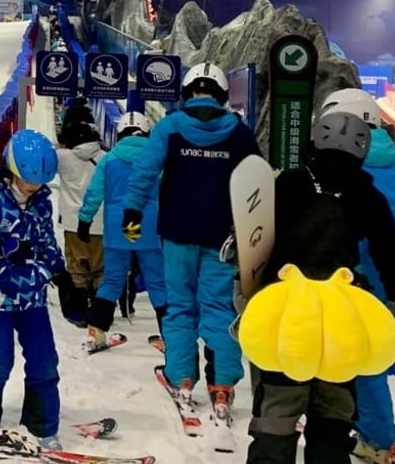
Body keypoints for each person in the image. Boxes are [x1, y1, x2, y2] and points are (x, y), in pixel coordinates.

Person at [246, 111, 395, 464]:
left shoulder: (286, 184)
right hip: (340, 312)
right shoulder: (367, 195)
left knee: (277, 409)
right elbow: (389, 254)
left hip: (285, 308)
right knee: (334, 410)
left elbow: (253, 242)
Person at [123, 62, 260, 416]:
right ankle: (223, 384)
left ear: (186, 93)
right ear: (222, 96)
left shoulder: (170, 127)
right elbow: (257, 183)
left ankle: (182, 377)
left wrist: (132, 214)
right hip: (223, 239)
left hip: (177, 235)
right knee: (218, 308)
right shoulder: (239, 133)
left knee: (180, 307)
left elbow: (145, 172)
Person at [0, 129, 68, 450]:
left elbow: (47, 242)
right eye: (28, 181)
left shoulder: (41, 202)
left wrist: (62, 275)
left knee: (44, 359)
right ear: (11, 170)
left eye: (38, 183)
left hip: (31, 295)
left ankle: (42, 424)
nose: (33, 188)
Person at [319, 89, 395, 463]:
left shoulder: (345, 170)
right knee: (375, 358)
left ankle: (377, 439)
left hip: (354, 277)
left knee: (357, 362)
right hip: (387, 276)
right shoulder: (393, 160)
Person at [78, 112, 167, 349]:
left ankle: (96, 333)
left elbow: (94, 193)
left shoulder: (109, 160)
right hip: (149, 228)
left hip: (118, 230)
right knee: (158, 283)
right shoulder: (157, 159)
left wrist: (84, 220)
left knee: (112, 281)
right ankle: (172, 338)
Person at [55, 102, 106, 327]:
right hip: (101, 224)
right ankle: (99, 314)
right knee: (100, 270)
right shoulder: (106, 158)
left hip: (73, 225)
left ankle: (78, 313)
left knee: (76, 268)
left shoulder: (63, 158)